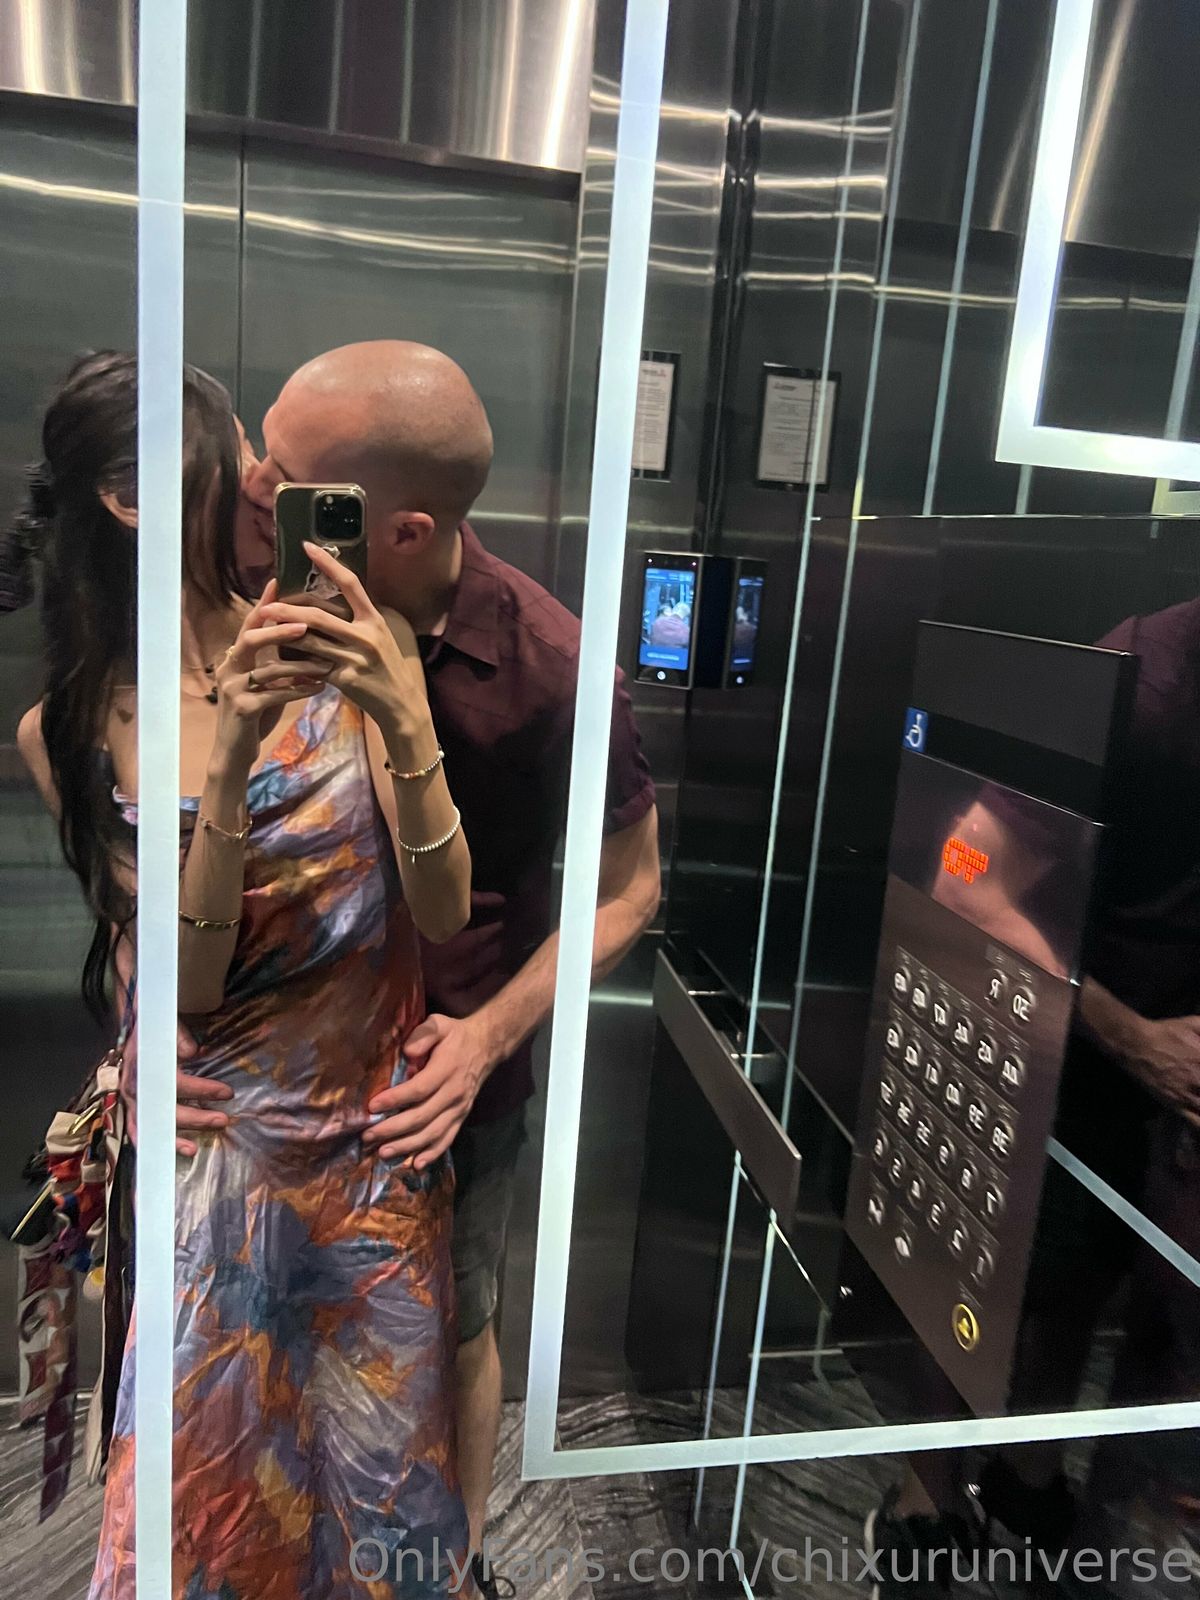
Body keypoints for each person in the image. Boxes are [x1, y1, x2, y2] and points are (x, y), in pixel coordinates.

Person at [16, 350, 474, 1599]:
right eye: (240, 463)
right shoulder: (77, 726)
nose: (270, 484)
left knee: (383, 1515)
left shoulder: (352, 639)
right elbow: (184, 978)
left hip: (375, 1162)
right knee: (207, 1525)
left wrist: (403, 716)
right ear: (131, 499)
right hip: (224, 1177)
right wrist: (226, 769)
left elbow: (440, 909)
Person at [238, 339, 662, 1583]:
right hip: (277, 1061)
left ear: (405, 530)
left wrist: (487, 1039)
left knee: (455, 1323)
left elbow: (634, 889)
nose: (257, 484)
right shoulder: (261, 588)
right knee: (274, 1325)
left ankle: (457, 1561)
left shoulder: (551, 669)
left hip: (443, 1074)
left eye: (289, 476)